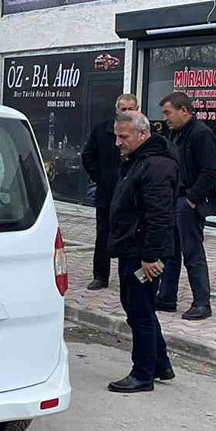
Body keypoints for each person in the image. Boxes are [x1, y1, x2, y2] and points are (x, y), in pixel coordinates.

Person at [106, 111, 177, 393]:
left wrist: (150, 256)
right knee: (139, 307)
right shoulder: (138, 161)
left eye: (123, 137)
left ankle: (143, 374)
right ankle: (160, 364)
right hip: (132, 247)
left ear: (142, 135)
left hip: (144, 253)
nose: (118, 143)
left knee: (139, 311)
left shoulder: (156, 166)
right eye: (116, 136)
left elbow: (160, 216)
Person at [156, 91, 216, 321]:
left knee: (193, 252)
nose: (165, 118)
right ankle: (166, 298)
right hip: (174, 200)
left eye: (168, 112)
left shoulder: (201, 134)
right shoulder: (175, 134)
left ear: (183, 110)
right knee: (170, 252)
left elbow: (210, 172)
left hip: (188, 203)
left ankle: (202, 303)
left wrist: (191, 199)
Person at [81, 93, 139, 290]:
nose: (127, 112)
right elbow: (88, 156)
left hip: (132, 196)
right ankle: (100, 275)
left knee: (132, 236)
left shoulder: (142, 132)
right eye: (124, 109)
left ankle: (130, 278)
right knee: (103, 234)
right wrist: (101, 178)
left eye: (131, 108)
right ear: (116, 110)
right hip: (107, 193)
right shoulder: (102, 130)